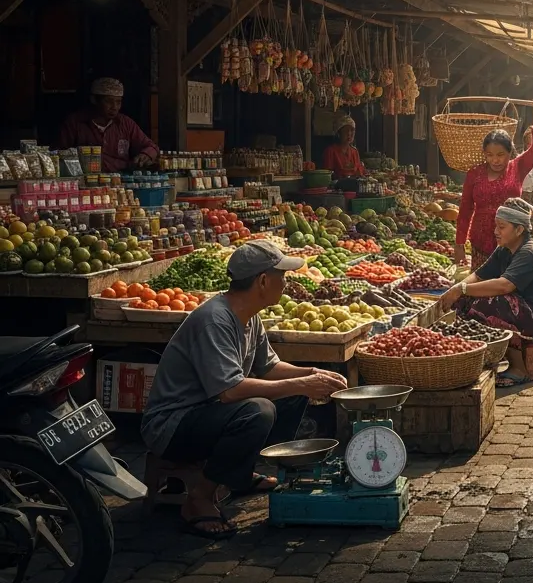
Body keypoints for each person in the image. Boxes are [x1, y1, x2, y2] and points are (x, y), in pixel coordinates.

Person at [140, 242, 348, 538]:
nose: (287, 283)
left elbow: (269, 367)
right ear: (263, 281)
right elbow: (230, 391)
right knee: (259, 410)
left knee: (291, 394)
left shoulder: (250, 315)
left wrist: (313, 375)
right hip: (173, 425)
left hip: (209, 413)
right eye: (283, 276)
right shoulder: (215, 319)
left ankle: (239, 472)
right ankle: (199, 498)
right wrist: (300, 383)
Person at [437, 198, 533, 387]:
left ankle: (519, 369)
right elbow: (478, 276)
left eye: (502, 227)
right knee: (464, 301)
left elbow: (505, 286)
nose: (496, 232)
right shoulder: (504, 250)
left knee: (493, 302)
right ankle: (478, 357)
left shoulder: (530, 251)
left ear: (519, 230)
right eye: (496, 226)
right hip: (523, 311)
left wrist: (461, 288)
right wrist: (455, 291)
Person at [455, 99, 533, 270]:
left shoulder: (517, 167)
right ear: (484, 154)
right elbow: (465, 210)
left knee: (509, 288)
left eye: (500, 154)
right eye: (490, 155)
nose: (495, 160)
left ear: (510, 152)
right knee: (481, 288)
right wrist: (459, 244)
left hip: (512, 242)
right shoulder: (474, 174)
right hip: (480, 241)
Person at [59, 77, 158, 174]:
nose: (114, 107)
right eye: (109, 101)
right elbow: (58, 154)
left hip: (120, 181)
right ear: (94, 100)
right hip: (86, 181)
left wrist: (146, 154)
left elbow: (151, 147)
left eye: (118, 102)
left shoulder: (126, 123)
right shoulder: (75, 123)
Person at [321, 114, 367, 180]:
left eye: (352, 130)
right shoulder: (330, 151)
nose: (349, 134)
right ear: (339, 133)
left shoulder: (354, 151)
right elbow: (327, 175)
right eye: (346, 130)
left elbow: (359, 172)